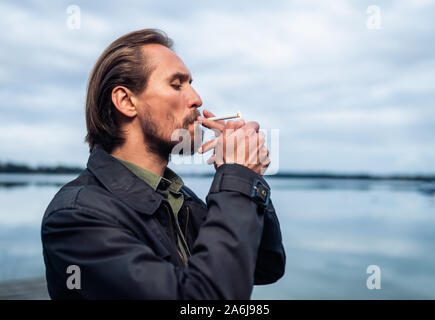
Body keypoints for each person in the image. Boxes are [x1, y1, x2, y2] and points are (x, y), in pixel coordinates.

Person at [41, 29, 285, 299]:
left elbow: (265, 266)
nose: (197, 99)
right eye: (177, 84)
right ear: (125, 101)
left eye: (191, 83)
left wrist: (247, 179)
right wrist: (237, 177)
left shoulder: (179, 198)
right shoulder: (76, 216)